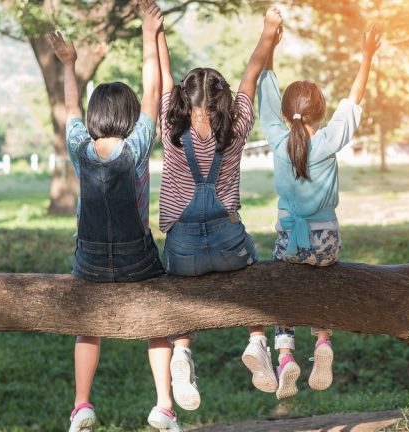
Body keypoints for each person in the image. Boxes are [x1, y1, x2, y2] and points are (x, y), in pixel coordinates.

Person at [47, 1, 175, 430]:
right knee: (160, 320)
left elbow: (68, 109)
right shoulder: (137, 146)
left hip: (89, 261)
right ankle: (163, 405)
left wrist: (70, 64)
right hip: (137, 259)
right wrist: (147, 34)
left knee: (87, 327)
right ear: (130, 115)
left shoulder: (80, 148)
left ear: (94, 116)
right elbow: (154, 91)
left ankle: (81, 404)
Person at [154, 4, 284, 413]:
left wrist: (154, 32)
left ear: (182, 100)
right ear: (223, 99)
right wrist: (268, 31)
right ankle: (257, 341)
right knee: (254, 271)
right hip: (229, 243)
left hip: (182, 249)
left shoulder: (169, 127)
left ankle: (181, 352)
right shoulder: (237, 125)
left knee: (183, 290)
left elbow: (162, 74)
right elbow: (253, 71)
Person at [252, 22, 382, 400]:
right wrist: (367, 56)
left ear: (285, 113)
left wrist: (271, 44)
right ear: (320, 112)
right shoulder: (327, 141)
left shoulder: (277, 141)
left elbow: (265, 86)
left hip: (288, 240)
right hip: (326, 242)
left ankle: (286, 355)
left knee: (282, 290)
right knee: (323, 281)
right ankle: (323, 342)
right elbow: (353, 102)